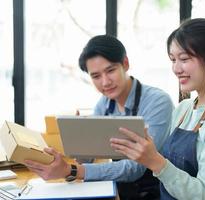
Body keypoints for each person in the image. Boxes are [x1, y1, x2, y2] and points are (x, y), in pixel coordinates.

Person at [110, 17, 205, 200]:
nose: (176, 68)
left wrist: (156, 161)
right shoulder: (184, 109)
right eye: (173, 59)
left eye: (184, 59)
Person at [24, 35, 174, 200]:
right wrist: (69, 148)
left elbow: (135, 168)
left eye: (110, 71)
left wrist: (72, 170)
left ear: (125, 64)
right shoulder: (104, 104)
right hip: (123, 190)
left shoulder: (158, 102)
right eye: (96, 76)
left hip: (154, 193)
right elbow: (89, 154)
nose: (105, 82)